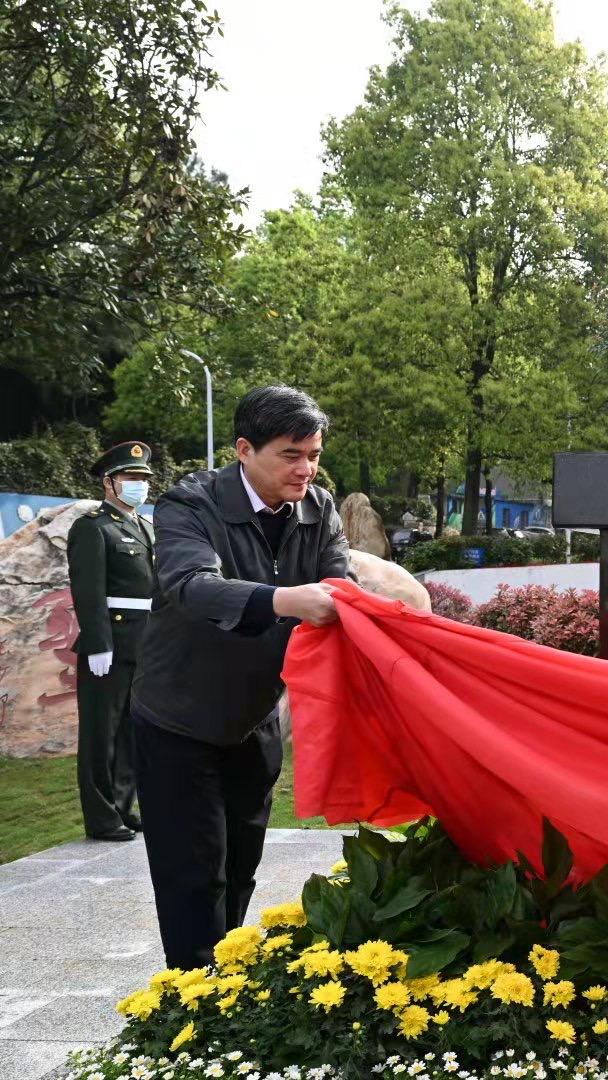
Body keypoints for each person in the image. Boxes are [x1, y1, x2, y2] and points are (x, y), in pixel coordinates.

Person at [130, 386, 353, 970]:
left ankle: (222, 980)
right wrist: (286, 599)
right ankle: (190, 998)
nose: (305, 469)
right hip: (177, 719)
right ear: (244, 450)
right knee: (192, 872)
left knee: (240, 865)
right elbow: (191, 586)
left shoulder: (318, 508)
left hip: (253, 720)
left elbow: (341, 589)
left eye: (313, 454)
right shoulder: (190, 504)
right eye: (290, 454)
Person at [67, 441, 156, 841]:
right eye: (130, 478)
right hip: (110, 645)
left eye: (143, 478)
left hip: (144, 643)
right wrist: (99, 642)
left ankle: (122, 806)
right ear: (109, 483)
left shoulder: (145, 526)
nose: (139, 484)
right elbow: (88, 591)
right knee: (100, 734)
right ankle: (102, 817)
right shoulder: (92, 527)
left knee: (131, 732)